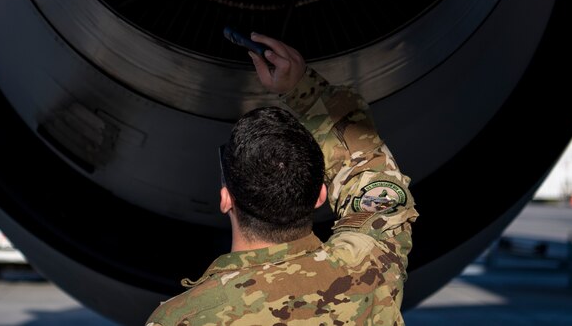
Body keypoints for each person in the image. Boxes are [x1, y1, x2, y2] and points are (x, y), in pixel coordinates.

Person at [145, 32, 418, 324]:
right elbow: (375, 180)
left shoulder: (181, 319)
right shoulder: (369, 268)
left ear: (226, 199)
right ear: (319, 196)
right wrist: (306, 91)